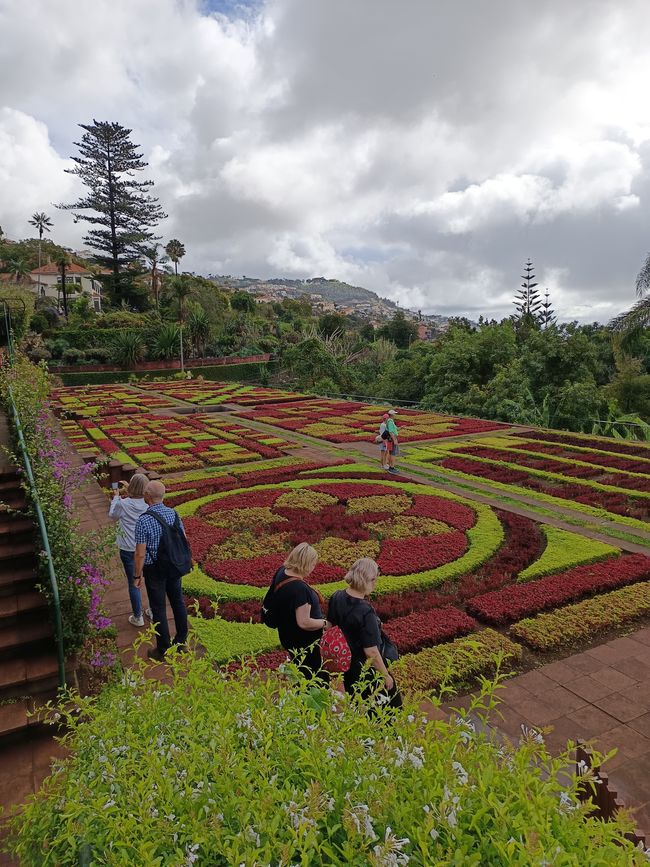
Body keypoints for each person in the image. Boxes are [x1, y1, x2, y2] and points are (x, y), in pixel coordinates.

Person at [327, 558, 402, 710]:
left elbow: (329, 626)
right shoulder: (365, 611)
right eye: (375, 579)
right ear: (370, 579)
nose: (375, 583)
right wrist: (385, 675)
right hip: (367, 672)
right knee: (389, 709)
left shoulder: (337, 597)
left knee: (359, 708)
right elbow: (371, 651)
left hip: (349, 669)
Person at [133, 480, 189, 661]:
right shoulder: (174, 514)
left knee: (158, 608)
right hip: (173, 566)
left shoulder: (144, 520)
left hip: (154, 569)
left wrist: (137, 575)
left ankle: (163, 648)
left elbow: (140, 554)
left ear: (147, 496)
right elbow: (183, 538)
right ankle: (181, 643)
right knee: (178, 602)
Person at [268, 542, 330, 684]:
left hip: (287, 635)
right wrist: (325, 623)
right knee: (314, 677)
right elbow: (304, 622)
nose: (313, 568)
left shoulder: (282, 572)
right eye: (313, 564)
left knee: (299, 672)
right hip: (305, 645)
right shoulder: (299, 589)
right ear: (306, 563)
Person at [108, 473, 152, 627]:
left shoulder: (123, 503)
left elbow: (112, 515)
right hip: (146, 547)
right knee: (150, 579)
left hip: (128, 548)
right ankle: (152, 610)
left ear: (131, 487)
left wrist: (116, 497)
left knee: (133, 581)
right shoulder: (149, 504)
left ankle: (138, 616)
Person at [386, 409, 400, 474]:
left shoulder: (390, 421)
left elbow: (394, 429)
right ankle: (392, 467)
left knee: (391, 453)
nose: (395, 415)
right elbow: (391, 432)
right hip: (392, 439)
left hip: (390, 439)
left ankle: (390, 467)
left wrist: (400, 428)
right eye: (395, 414)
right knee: (393, 453)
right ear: (392, 415)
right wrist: (395, 440)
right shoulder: (390, 422)